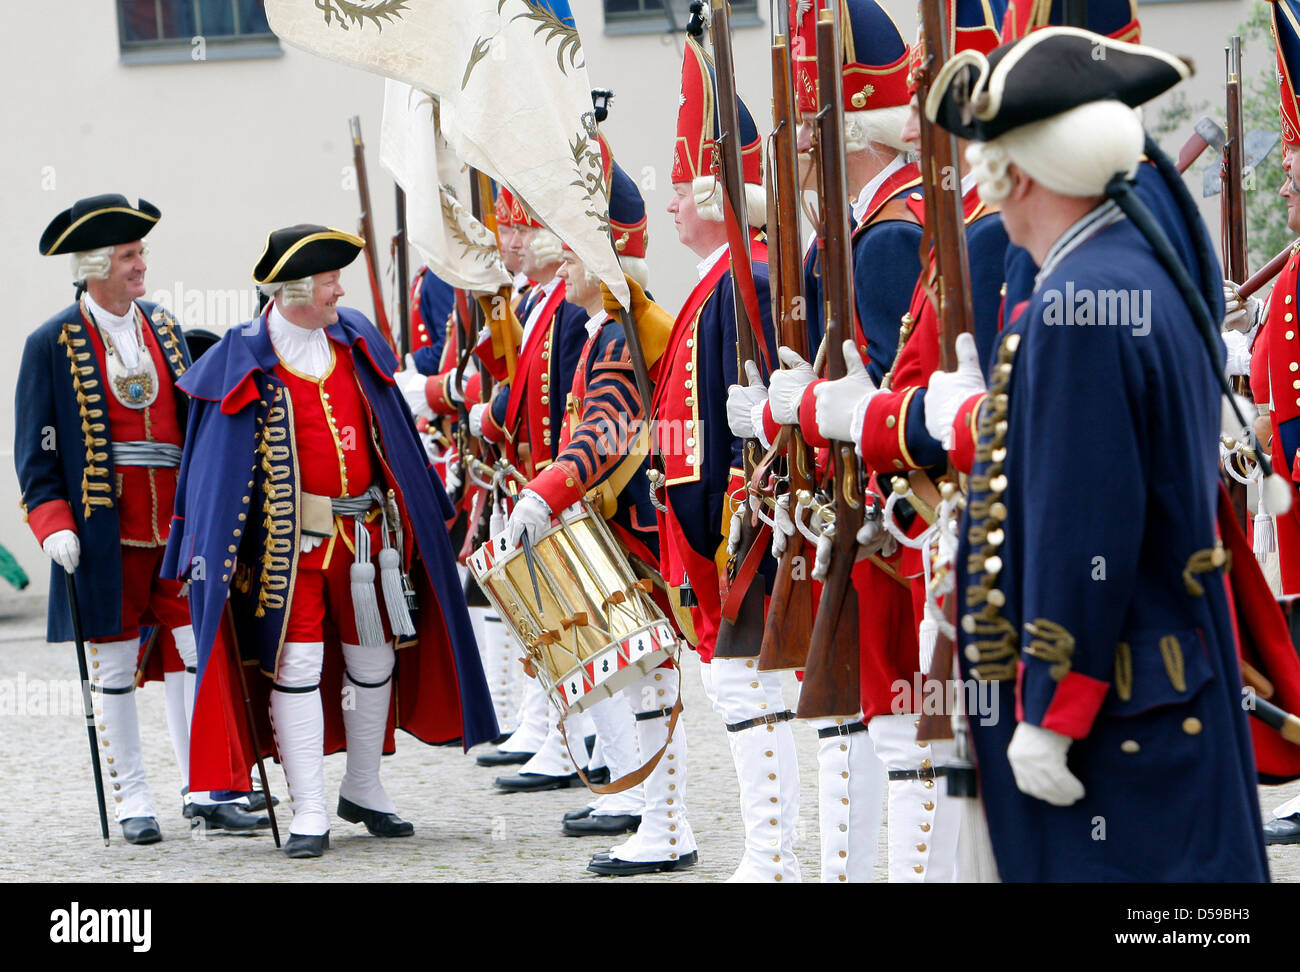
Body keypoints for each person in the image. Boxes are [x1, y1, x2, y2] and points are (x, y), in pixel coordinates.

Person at [925, 26, 1271, 880]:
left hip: (1120, 714)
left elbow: (1089, 531)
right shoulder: (1132, 266)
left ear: (1022, 169)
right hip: (1161, 685)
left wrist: (1053, 708)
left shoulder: (1078, 304)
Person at [162, 224, 497, 858]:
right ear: (292, 292)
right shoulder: (241, 360)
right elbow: (210, 476)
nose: (339, 290)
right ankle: (309, 807)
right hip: (291, 550)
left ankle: (364, 786)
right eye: (327, 282)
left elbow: (392, 427)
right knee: (298, 668)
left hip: (368, 540)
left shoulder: (354, 338)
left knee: (375, 662)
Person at [17, 194, 265, 843]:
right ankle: (134, 798)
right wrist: (53, 524)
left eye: (140, 253)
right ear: (97, 264)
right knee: (117, 665)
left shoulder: (164, 326)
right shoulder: (49, 344)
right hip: (105, 535)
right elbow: (37, 451)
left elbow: (196, 422)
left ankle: (207, 786)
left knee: (197, 652)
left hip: (176, 533)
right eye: (130, 256)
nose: (140, 266)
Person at [653, 25, 793, 882]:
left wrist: (709, 538)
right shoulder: (716, 283)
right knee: (738, 697)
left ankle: (774, 856)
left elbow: (723, 436)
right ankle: (766, 851)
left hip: (731, 535)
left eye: (678, 189)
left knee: (753, 698)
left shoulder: (748, 283)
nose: (668, 205)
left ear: (711, 192)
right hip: (705, 536)